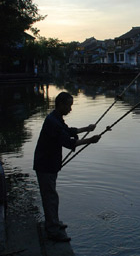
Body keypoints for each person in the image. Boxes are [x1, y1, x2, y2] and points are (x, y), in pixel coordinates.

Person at [33, 91, 101, 242]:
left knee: (52, 196)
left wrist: (86, 129)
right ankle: (52, 230)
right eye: (69, 106)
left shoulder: (56, 118)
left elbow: (68, 131)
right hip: (45, 165)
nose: (70, 109)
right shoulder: (52, 122)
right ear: (61, 104)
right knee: (50, 197)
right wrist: (90, 140)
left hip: (50, 165)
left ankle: (54, 223)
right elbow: (68, 142)